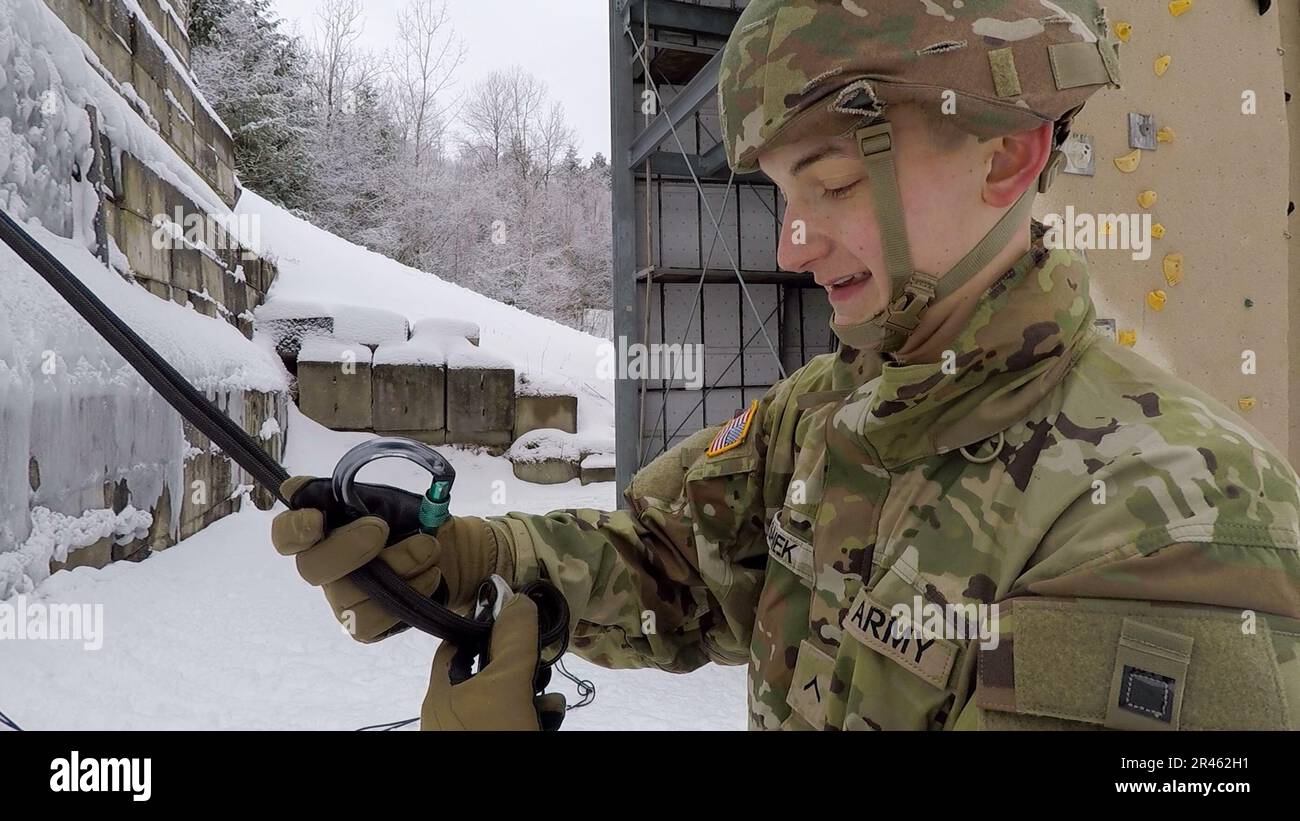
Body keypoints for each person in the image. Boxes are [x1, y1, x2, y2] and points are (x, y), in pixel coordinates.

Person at [271, 0, 1300, 731]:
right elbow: (669, 561)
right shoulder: (836, 409)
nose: (790, 246)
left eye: (836, 182)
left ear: (1005, 155)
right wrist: (471, 559)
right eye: (779, 195)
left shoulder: (1178, 527)